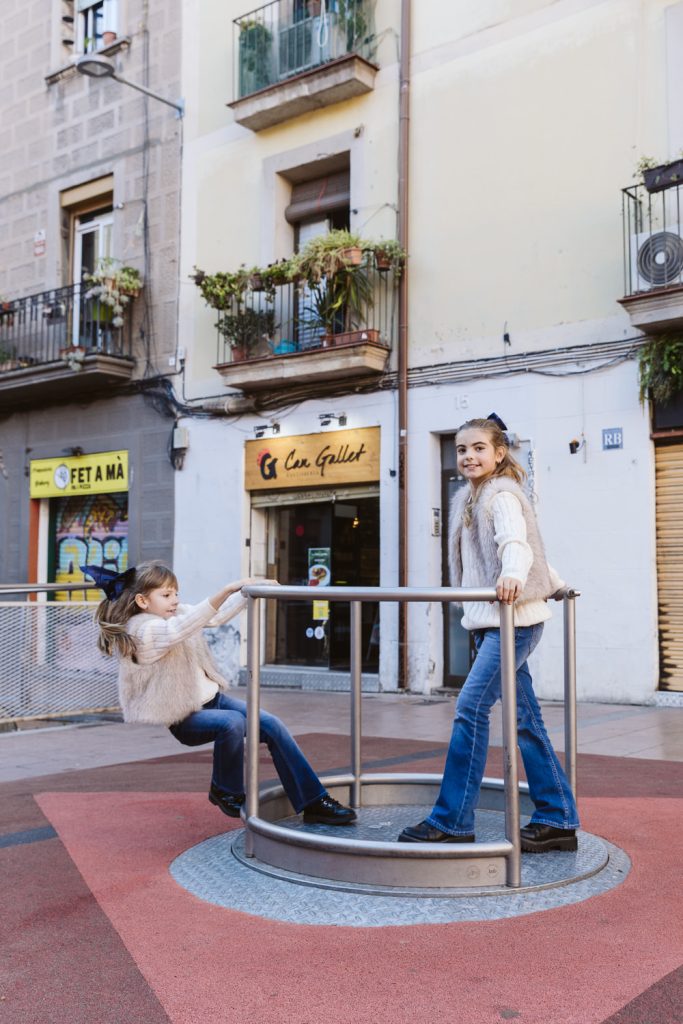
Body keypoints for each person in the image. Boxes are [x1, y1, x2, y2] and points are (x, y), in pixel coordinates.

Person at [398, 415, 579, 852]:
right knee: (525, 720)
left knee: (469, 709)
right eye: (461, 450)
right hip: (492, 624)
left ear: (499, 454)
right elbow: (533, 551)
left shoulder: (500, 495)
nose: (468, 456)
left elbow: (515, 544)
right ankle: (557, 818)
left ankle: (453, 819)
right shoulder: (470, 498)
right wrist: (553, 582)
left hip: (512, 623)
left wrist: (516, 576)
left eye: (479, 448)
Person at [86, 561, 356, 826]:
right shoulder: (143, 630)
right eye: (166, 595)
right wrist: (229, 588)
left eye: (176, 593)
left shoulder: (174, 614)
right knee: (232, 723)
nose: (175, 601)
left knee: (273, 725)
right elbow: (177, 630)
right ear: (143, 602)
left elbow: (212, 616)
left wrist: (248, 592)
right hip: (184, 715)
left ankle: (313, 801)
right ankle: (224, 788)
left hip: (213, 700)